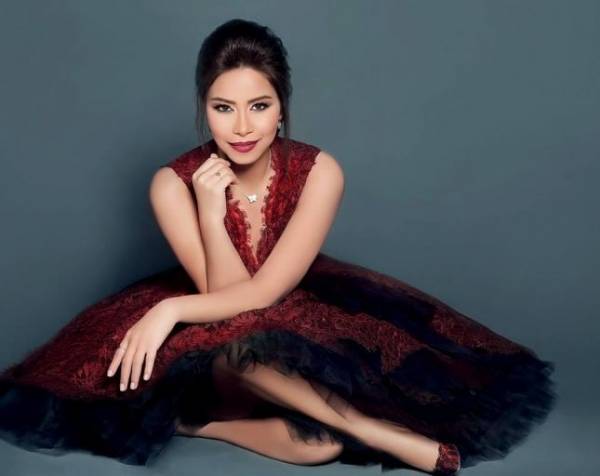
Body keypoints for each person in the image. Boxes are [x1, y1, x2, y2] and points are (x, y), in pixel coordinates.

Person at [0, 19, 556, 475]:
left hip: (279, 323)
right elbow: (225, 306)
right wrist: (210, 215)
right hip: (210, 347)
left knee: (320, 448)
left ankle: (197, 425)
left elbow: (263, 294)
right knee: (242, 347)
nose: (242, 127)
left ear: (282, 106)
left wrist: (169, 309)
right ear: (203, 107)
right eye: (223, 108)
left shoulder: (320, 172)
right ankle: (373, 431)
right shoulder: (171, 184)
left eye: (259, 106)